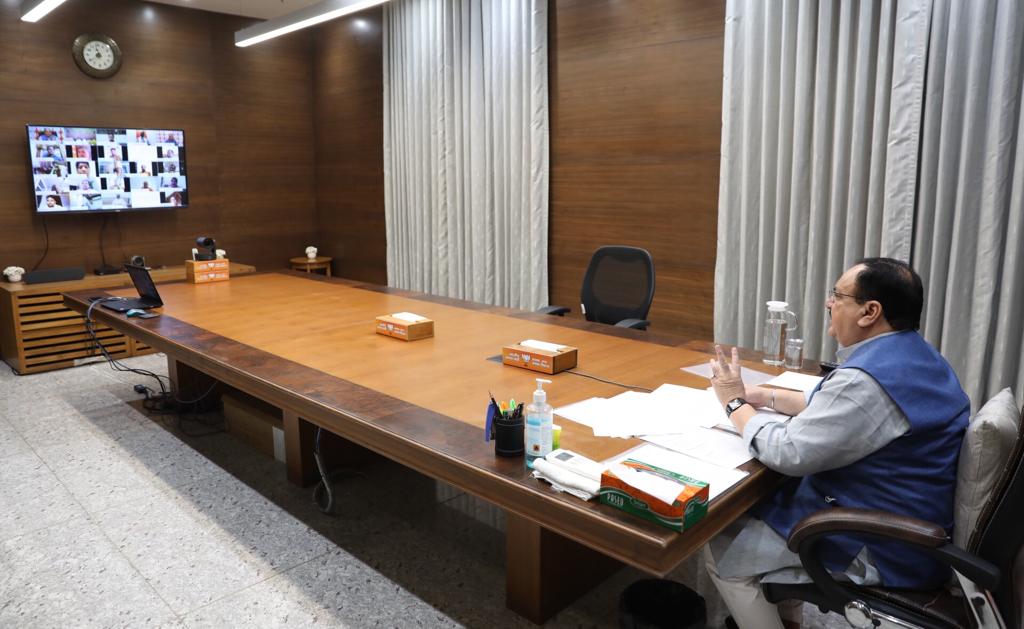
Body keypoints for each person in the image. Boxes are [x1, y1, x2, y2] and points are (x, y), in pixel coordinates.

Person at [704, 258, 969, 629]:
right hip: (906, 513)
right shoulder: (914, 355)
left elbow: (787, 452)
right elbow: (837, 404)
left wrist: (733, 402)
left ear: (870, 311)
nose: (829, 303)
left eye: (837, 295)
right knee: (761, 509)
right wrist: (765, 396)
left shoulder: (867, 382)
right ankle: (789, 619)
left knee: (722, 551)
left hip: (883, 542)